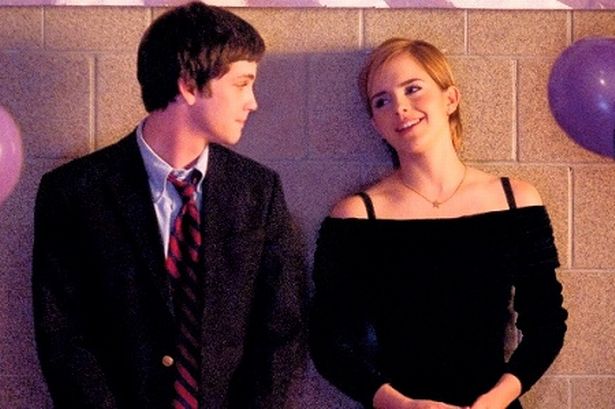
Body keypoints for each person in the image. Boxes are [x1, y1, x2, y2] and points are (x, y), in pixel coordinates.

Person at [32, 2, 306, 408]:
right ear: (189, 85)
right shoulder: (75, 193)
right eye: (242, 83)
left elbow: (281, 330)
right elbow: (63, 338)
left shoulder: (257, 192)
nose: (253, 102)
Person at [309, 38, 567, 409]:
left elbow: (546, 325)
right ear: (375, 124)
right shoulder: (355, 217)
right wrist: (402, 405)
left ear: (450, 98)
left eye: (413, 89)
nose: (400, 107)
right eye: (381, 101)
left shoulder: (516, 200)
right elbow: (330, 343)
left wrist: (495, 401)